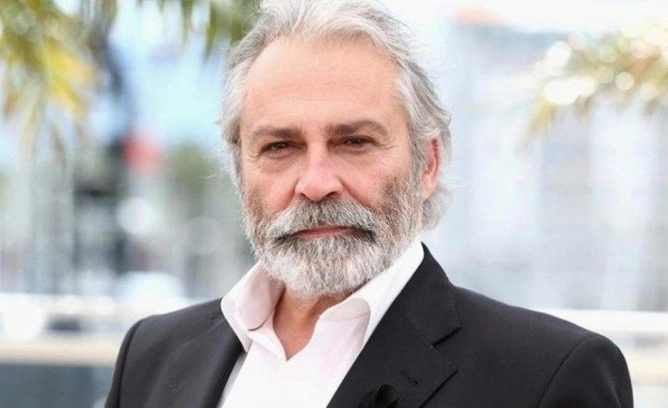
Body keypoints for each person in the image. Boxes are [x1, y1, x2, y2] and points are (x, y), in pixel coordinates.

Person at [105, 0, 633, 407]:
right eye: (280, 146)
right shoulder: (152, 357)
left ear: (427, 164)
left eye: (355, 142)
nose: (315, 183)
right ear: (240, 169)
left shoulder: (546, 377)